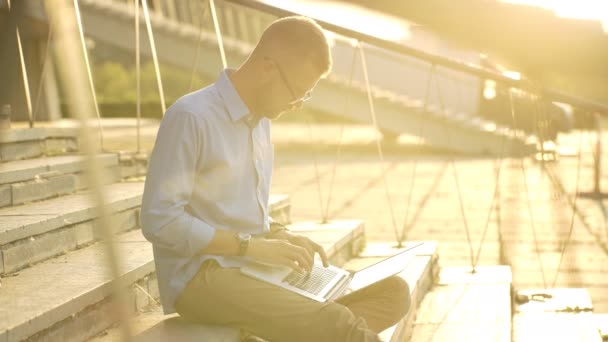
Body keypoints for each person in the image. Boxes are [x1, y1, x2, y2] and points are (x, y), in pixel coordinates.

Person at [141, 16, 410, 342]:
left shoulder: (261, 123)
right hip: (203, 277)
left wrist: (282, 235)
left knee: (394, 292)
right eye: (297, 92)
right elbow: (159, 220)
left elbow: (241, 214)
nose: (297, 105)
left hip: (252, 265)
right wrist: (248, 247)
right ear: (268, 67)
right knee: (337, 323)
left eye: (305, 96)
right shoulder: (191, 117)